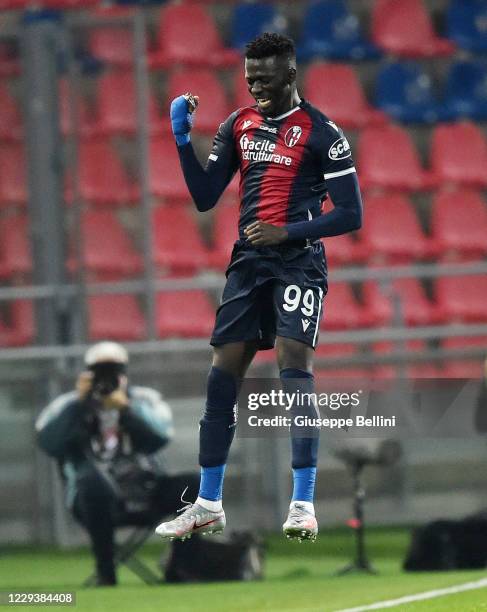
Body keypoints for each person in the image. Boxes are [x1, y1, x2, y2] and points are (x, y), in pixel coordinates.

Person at [155, 33, 362, 543]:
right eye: (249, 79)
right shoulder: (238, 124)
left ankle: (303, 503)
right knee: (221, 375)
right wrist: (183, 139)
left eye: (265, 79)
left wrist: (287, 232)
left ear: (291, 75)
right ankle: (207, 502)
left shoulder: (323, 133)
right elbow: (205, 197)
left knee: (295, 368)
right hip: (248, 264)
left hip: (298, 263)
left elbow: (351, 214)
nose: (256, 87)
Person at [36, 341, 198, 585]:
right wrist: (78, 406)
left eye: (114, 370)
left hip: (146, 489)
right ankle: (106, 573)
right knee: (92, 483)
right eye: (99, 371)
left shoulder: (145, 400)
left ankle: (180, 569)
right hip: (92, 497)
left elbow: (159, 438)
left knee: (196, 485)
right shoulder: (66, 405)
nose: (107, 378)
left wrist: (126, 409)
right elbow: (50, 443)